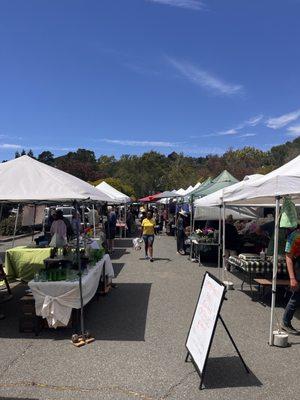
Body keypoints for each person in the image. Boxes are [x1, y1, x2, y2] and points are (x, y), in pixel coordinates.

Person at [281, 225, 300, 334]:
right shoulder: (295, 235)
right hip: (299, 268)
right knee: (296, 296)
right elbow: (288, 257)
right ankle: (286, 322)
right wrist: (292, 278)